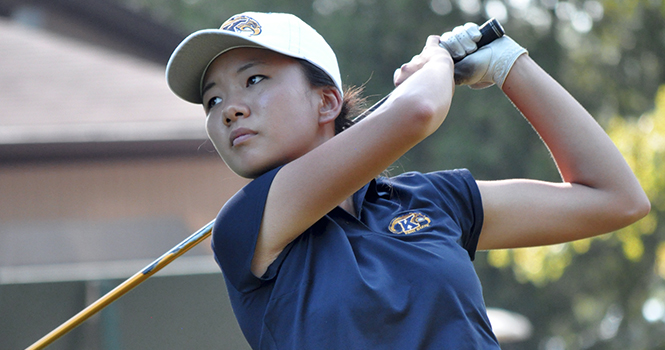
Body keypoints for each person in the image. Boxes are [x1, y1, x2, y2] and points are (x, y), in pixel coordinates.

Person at [165, 11, 650, 349]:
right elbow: (419, 110)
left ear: (327, 102)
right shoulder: (247, 223)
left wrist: (508, 64)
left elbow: (615, 199)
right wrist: (437, 59)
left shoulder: (432, 200)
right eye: (212, 101)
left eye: (254, 80)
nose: (229, 110)